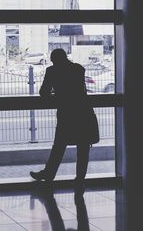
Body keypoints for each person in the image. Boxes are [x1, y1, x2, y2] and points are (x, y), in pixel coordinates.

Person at [30, 48, 99, 187]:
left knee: (59, 146)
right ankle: (80, 178)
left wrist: (57, 93)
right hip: (84, 112)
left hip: (66, 114)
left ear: (54, 60)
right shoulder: (78, 69)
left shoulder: (52, 71)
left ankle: (49, 174)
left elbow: (44, 92)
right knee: (83, 147)